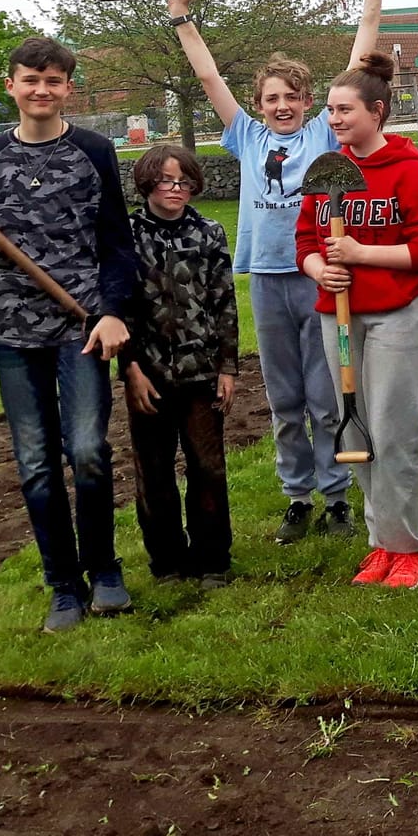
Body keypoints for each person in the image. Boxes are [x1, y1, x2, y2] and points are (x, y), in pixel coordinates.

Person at [168, 0, 387, 547]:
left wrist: (372, 2)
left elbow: (359, 65)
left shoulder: (323, 134)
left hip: (317, 277)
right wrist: (182, 15)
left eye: (292, 97)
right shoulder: (245, 137)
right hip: (267, 277)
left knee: (326, 393)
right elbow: (208, 76)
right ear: (259, 105)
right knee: (284, 398)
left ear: (309, 102)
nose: (282, 106)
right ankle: (297, 495)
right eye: (272, 99)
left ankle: (337, 495)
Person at [0, 35, 137, 633]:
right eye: (31, 79)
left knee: (87, 450)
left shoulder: (93, 151)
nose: (42, 90)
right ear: (10, 84)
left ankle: (105, 570)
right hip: (12, 329)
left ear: (68, 88)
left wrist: (113, 311)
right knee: (35, 463)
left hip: (81, 326)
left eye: (54, 80)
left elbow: (115, 240)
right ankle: (63, 586)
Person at [295, 51, 418, 589]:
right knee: (355, 428)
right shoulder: (327, 171)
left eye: (345, 110)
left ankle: (409, 549)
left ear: (377, 111)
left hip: (395, 316)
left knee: (393, 431)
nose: (335, 119)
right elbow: (305, 243)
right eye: (331, 111)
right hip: (338, 318)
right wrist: (321, 269)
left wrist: (362, 255)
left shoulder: (407, 171)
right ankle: (380, 542)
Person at [122, 144, 238, 589]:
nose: (176, 189)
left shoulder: (209, 232)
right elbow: (120, 307)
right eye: (167, 180)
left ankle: (213, 559)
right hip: (146, 374)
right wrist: (129, 368)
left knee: (207, 467)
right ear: (148, 182)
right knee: (153, 470)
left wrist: (228, 367)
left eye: (185, 181)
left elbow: (224, 302)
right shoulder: (127, 234)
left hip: (202, 372)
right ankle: (166, 560)